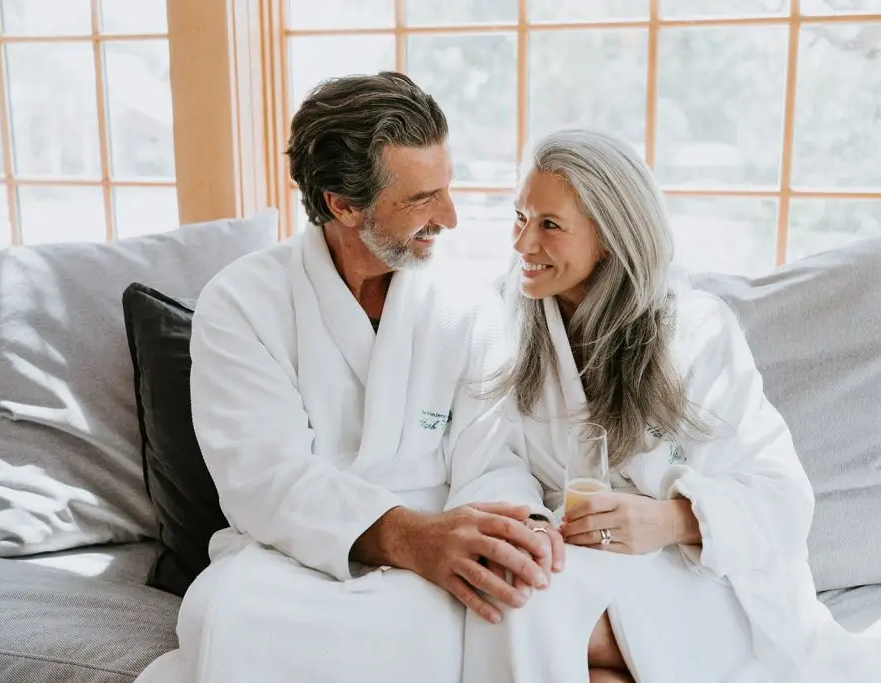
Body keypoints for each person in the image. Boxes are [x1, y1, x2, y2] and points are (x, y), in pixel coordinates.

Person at [461, 128, 881, 683]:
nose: (522, 243)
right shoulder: (503, 325)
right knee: (550, 628)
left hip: (691, 571)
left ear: (610, 235)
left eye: (549, 225)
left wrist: (671, 519)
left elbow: (782, 498)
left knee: (564, 627)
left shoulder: (694, 332)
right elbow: (488, 459)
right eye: (519, 216)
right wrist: (529, 523)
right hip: (567, 559)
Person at [134, 72, 566, 683]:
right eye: (422, 199)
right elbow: (264, 478)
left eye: (447, 188)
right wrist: (409, 537)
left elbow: (495, 459)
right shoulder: (242, 302)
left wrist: (512, 531)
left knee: (499, 616)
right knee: (227, 614)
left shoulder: (468, 304)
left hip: (447, 554)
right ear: (342, 204)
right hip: (292, 552)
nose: (450, 217)